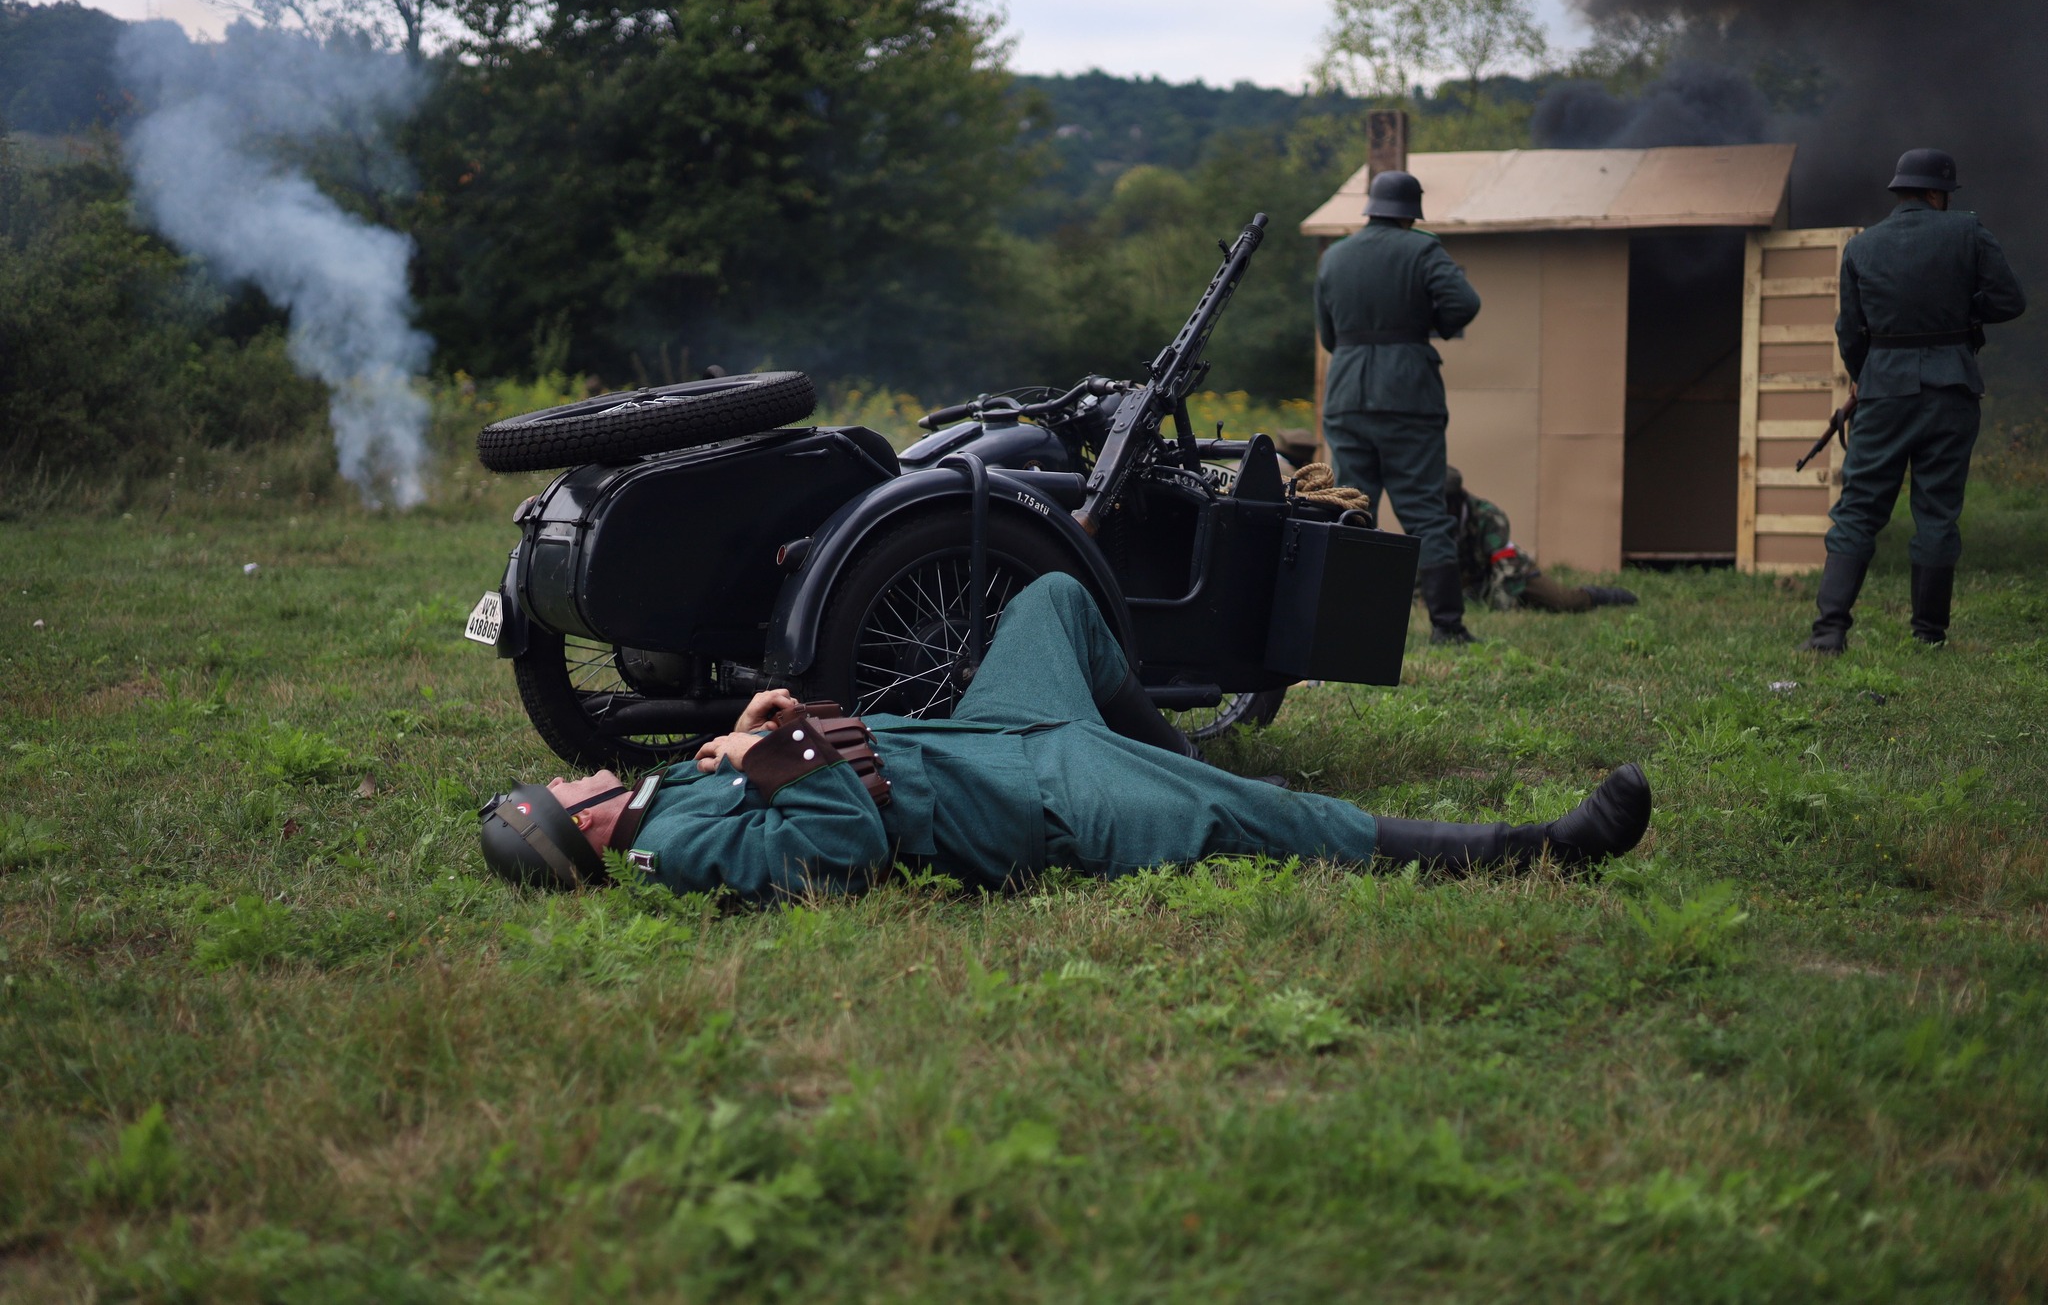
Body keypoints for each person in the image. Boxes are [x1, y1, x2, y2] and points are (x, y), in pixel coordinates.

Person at [479, 575, 1652, 900]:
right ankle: (1536, 850)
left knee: (1050, 601)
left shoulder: (659, 799)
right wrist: (773, 759)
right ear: (569, 826)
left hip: (986, 735)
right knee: (1277, 821)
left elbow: (795, 775)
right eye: (558, 788)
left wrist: (753, 729)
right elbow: (844, 849)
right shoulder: (676, 852)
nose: (568, 772)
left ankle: (1172, 760)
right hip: (1034, 797)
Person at [1804, 148, 2027, 653]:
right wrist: (1964, 313)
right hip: (1952, 390)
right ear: (1934, 193)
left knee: (1858, 508)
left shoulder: (1861, 248)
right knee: (1937, 511)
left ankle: (1828, 632)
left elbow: (1849, 331)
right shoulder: (1968, 231)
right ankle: (1929, 634)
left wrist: (1865, 378)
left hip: (1883, 391)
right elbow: (2010, 300)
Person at [1316, 169, 1484, 645]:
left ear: (1372, 207)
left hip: (1347, 394)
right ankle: (1447, 627)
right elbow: (1465, 303)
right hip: (1409, 396)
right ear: (1412, 213)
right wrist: (1428, 326)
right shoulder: (1423, 250)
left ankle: (1343, 628)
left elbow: (1328, 335)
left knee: (1348, 509)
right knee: (1426, 510)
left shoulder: (1334, 256)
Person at [1445, 467, 1638, 613]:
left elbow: (1504, 568)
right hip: (1470, 579)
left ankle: (1604, 596)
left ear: (1458, 499)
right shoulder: (1434, 518)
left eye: (1446, 503)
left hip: (1513, 573)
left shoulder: (1488, 516)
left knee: (1563, 602)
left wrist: (1502, 609)